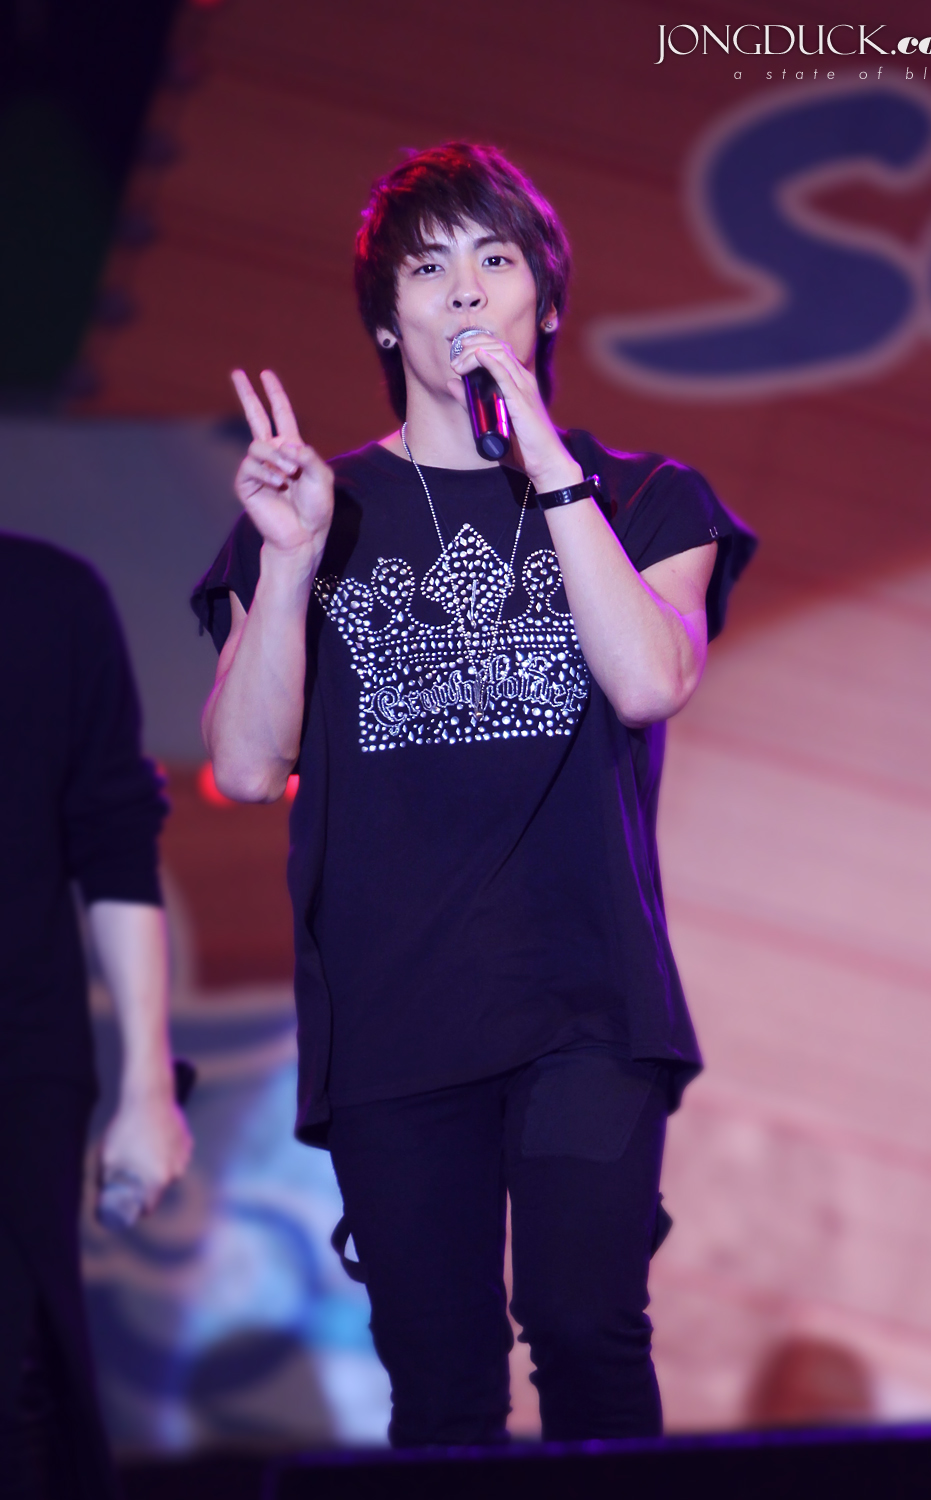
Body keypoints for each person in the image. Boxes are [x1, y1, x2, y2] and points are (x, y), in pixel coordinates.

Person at [193, 141, 755, 1447]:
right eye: (425, 269)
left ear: (544, 304)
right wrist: (289, 564)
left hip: (585, 1003)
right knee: (442, 1381)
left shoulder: (648, 498)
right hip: (393, 1013)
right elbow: (245, 765)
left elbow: (648, 682)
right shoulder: (318, 506)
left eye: (493, 262)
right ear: (387, 319)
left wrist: (547, 460)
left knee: (584, 1327)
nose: (460, 292)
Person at [0, 535, 193, 1497]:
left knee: (16, 1386)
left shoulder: (46, 599)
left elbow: (114, 840)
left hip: (18, 1054)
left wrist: (149, 1088)